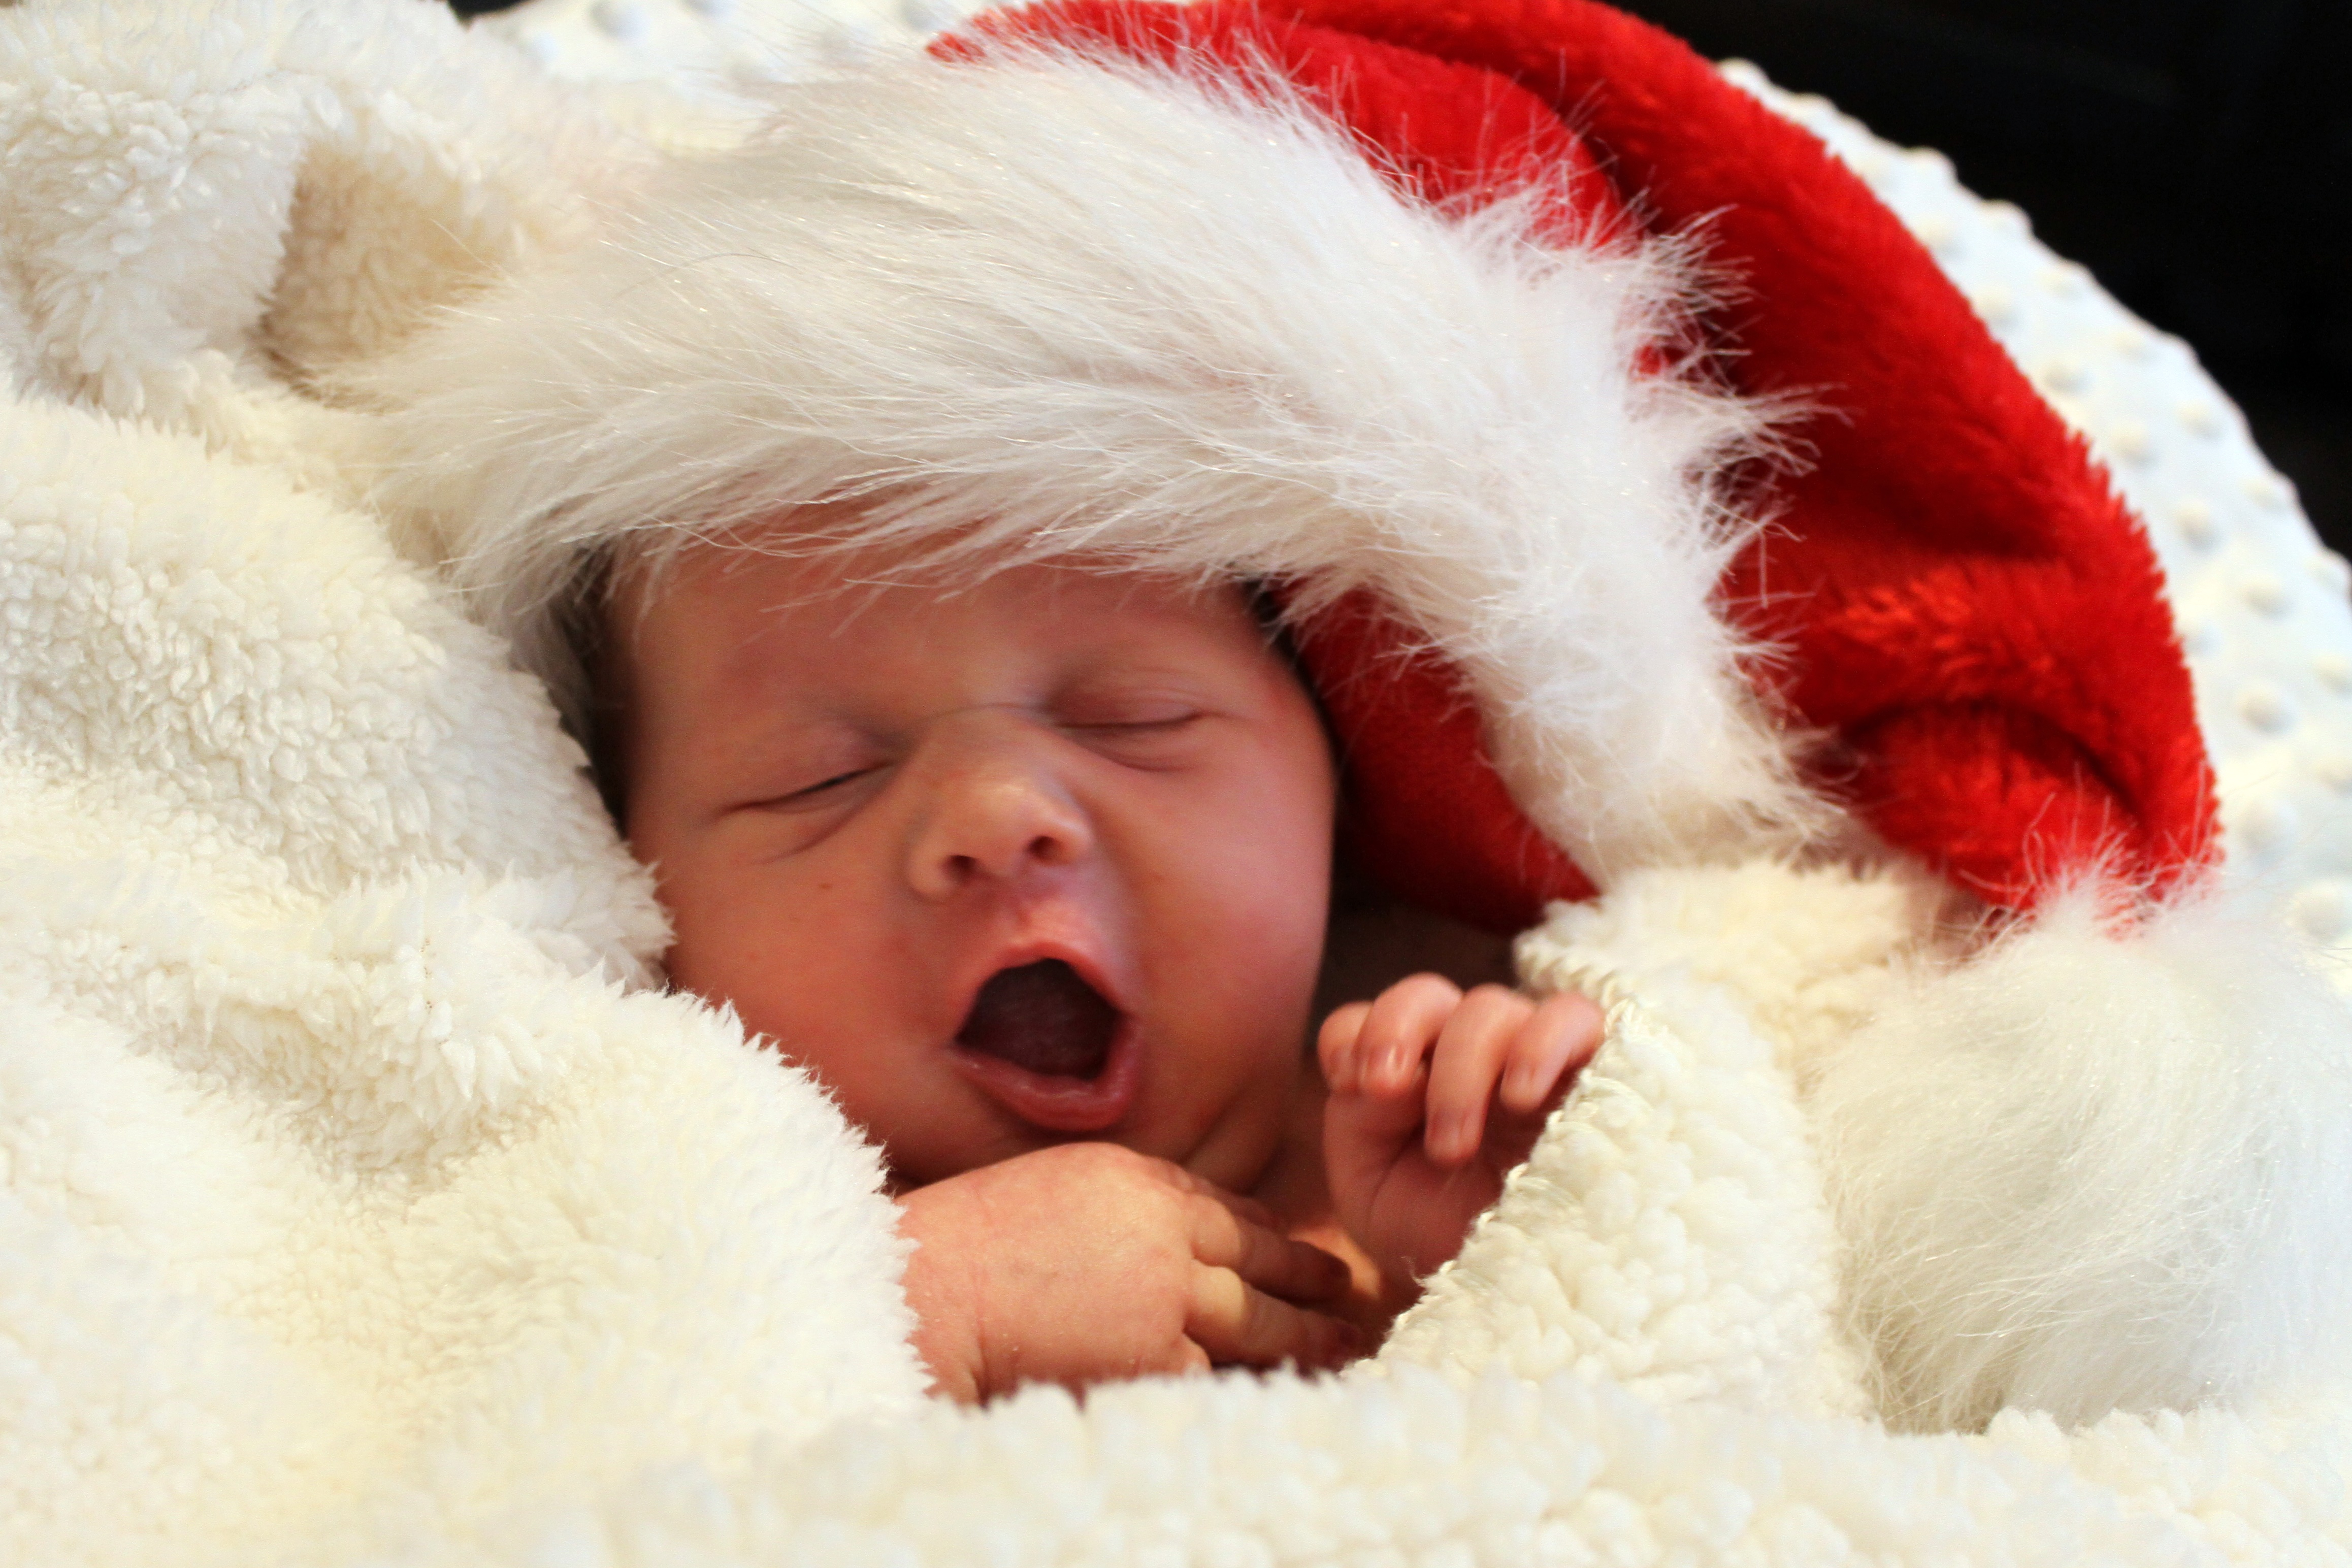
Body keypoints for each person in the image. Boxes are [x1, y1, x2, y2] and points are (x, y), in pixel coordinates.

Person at [596, 531, 1605, 1402]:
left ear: (1336, 790)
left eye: (1134, 715)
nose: (999, 814)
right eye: (817, 778)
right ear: (624, 880)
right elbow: (551, 1454)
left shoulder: (1464, 1120)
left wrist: (1534, 1244)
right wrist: (925, 1303)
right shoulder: (659, 1231)